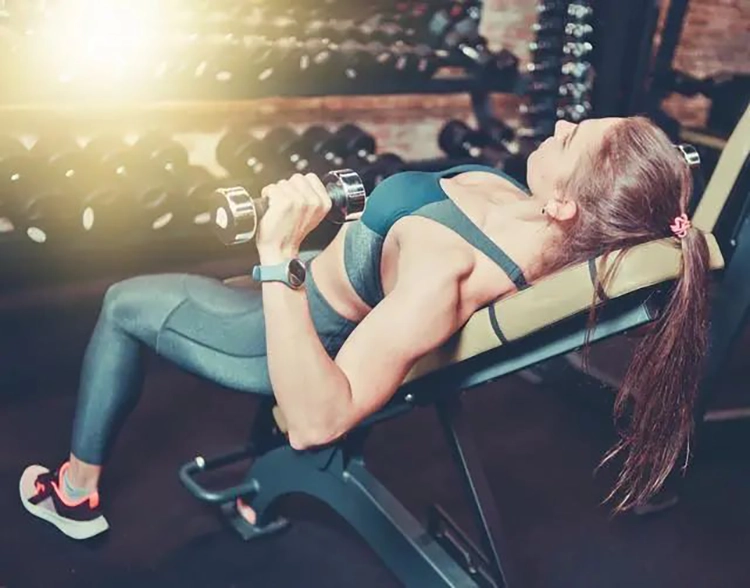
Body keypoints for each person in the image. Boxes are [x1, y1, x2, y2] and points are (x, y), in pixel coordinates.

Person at [20, 116, 711, 540]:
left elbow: (316, 422)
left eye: (574, 141)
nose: (563, 125)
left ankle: (75, 494)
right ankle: (262, 496)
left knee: (121, 302)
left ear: (567, 206)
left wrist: (276, 257)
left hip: (290, 332)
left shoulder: (445, 273)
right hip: (324, 277)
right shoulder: (549, 224)